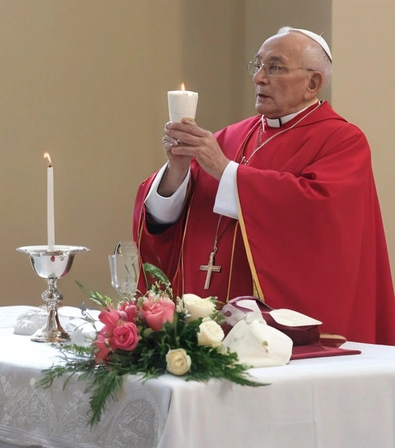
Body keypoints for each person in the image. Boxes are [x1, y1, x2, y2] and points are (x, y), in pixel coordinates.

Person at [132, 26, 395, 345]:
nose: (259, 78)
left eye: (275, 67)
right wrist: (177, 169)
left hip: (280, 335)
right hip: (207, 329)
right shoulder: (229, 137)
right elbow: (166, 217)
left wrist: (224, 170)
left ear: (313, 83)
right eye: (257, 66)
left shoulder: (342, 140)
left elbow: (318, 212)